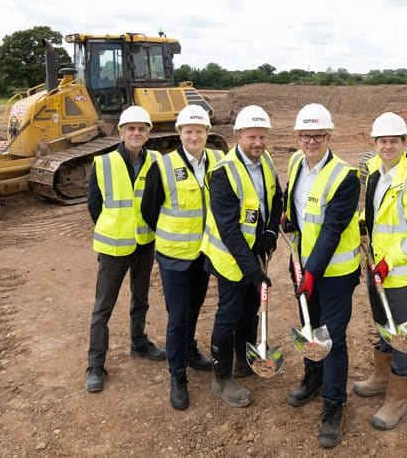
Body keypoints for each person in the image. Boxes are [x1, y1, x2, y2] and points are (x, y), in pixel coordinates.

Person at [354, 112, 407, 431]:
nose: (387, 146)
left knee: (401, 334)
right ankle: (381, 378)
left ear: (405, 143)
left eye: (394, 141)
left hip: (401, 273)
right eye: (382, 141)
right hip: (377, 267)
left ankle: (397, 398)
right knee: (382, 326)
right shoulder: (376, 172)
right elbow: (378, 216)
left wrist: (390, 261)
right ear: (374, 143)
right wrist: (359, 223)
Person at [283, 104, 361, 449]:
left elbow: (332, 229)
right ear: (298, 137)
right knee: (310, 329)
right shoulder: (295, 162)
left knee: (333, 338)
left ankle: (333, 404)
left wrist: (312, 272)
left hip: (335, 274)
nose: (310, 141)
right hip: (304, 267)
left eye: (317, 136)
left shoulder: (345, 177)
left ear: (329, 136)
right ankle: (313, 378)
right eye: (305, 135)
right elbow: (297, 207)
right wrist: (288, 222)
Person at [141, 104, 223, 411]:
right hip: (174, 256)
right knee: (177, 316)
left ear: (207, 133)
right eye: (188, 131)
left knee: (195, 307)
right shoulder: (163, 166)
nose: (194, 136)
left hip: (204, 254)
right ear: (179, 133)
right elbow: (149, 210)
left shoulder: (218, 159)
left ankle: (189, 351)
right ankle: (177, 375)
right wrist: (173, 234)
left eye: (199, 131)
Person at [201, 104, 282, 408]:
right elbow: (229, 230)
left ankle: (242, 361)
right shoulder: (223, 173)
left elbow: (276, 197)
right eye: (252, 137)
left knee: (250, 311)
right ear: (238, 136)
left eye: (262, 137)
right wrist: (253, 271)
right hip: (230, 259)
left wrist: (271, 232)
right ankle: (221, 379)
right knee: (229, 315)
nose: (258, 143)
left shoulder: (266, 160)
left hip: (255, 252)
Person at [85, 106, 167, 395]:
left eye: (141, 129)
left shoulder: (156, 160)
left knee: (141, 298)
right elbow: (94, 205)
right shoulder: (104, 162)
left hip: (144, 242)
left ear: (148, 134)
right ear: (121, 133)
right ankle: (95, 364)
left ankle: (139, 342)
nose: (136, 133)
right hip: (113, 246)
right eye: (130, 129)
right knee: (103, 307)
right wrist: (114, 228)